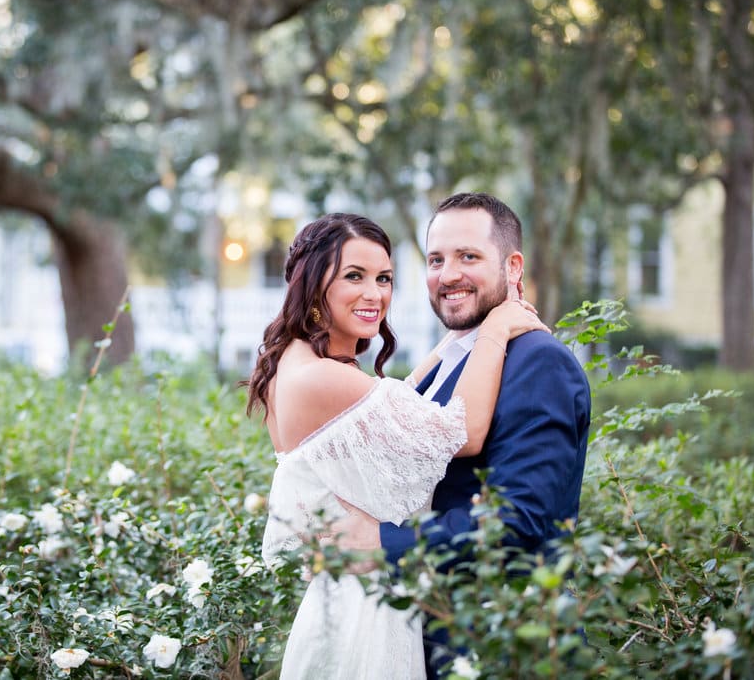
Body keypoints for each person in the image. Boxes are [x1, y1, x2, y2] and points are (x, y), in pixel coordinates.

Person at [247, 212, 548, 679]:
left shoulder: (294, 361)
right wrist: (493, 331)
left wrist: (456, 342)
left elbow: (389, 409)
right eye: (354, 276)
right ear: (311, 285)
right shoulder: (325, 378)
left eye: (384, 278)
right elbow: (461, 433)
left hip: (341, 604)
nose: (375, 294)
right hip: (366, 617)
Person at [331, 193, 592, 676]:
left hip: (508, 645)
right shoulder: (456, 357)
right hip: (436, 637)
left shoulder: (539, 362)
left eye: (468, 256)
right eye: (436, 259)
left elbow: (518, 521)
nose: (448, 274)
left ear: (513, 267)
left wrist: (383, 543)